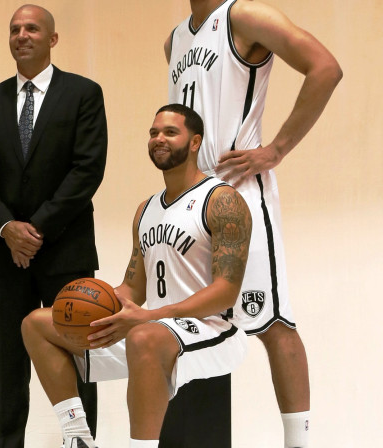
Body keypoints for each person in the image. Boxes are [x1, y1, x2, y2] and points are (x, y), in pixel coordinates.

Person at [165, 1, 342, 446]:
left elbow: (325, 68)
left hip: (238, 192)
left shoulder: (245, 16)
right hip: (190, 202)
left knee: (272, 323)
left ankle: (298, 442)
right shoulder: (175, 40)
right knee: (190, 325)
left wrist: (277, 148)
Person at [21, 104, 250, 448]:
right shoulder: (146, 209)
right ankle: (78, 436)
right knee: (38, 322)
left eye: (170, 132)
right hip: (154, 327)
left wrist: (149, 317)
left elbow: (226, 292)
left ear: (194, 142)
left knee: (145, 336)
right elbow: (133, 288)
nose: (159, 138)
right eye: (154, 132)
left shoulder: (221, 200)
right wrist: (90, 304)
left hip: (212, 328)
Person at [0, 5, 106, 447]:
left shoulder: (83, 93)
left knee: (79, 355)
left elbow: (87, 170)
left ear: (52, 39)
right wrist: (8, 228)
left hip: (66, 249)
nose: (21, 35)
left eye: (32, 28)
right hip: (7, 254)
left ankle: (82, 441)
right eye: (14, 29)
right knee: (9, 360)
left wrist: (35, 230)